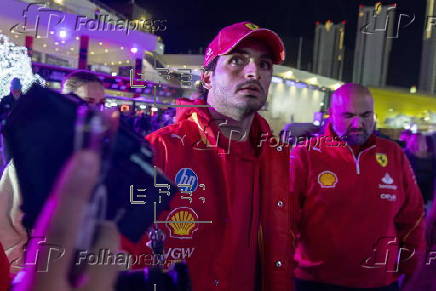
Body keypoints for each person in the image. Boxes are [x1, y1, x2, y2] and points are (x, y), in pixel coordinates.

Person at [121, 21, 293, 291]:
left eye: (264, 64)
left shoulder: (276, 156)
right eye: (237, 60)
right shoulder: (161, 150)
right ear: (207, 77)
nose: (253, 73)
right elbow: (121, 250)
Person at [289, 83, 426, 290]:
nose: (358, 123)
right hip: (315, 281)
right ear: (331, 114)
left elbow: (413, 216)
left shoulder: (393, 154)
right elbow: (285, 220)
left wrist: (410, 267)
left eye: (366, 115)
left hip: (379, 283)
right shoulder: (305, 155)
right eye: (348, 115)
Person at [0, 70, 107, 276]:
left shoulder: (107, 159)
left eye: (101, 103)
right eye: (88, 102)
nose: (97, 111)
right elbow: (6, 227)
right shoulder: (30, 160)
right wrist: (26, 274)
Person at [404, 133, 435, 207]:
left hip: (429, 193)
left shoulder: (432, 157)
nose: (424, 143)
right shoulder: (408, 156)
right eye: (421, 141)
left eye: (425, 141)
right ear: (415, 143)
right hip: (413, 193)